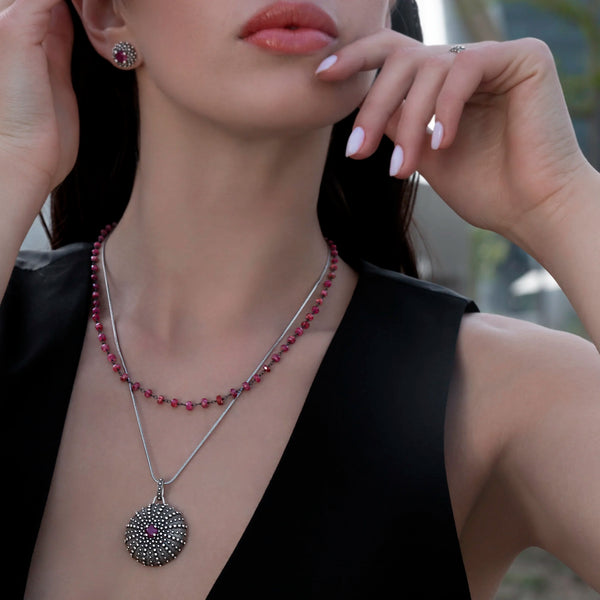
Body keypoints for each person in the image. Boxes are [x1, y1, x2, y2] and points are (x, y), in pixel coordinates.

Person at [1, 0, 599, 598]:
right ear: (108, 16)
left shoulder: (506, 393)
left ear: (385, 15)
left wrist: (560, 200)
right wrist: (10, 160)